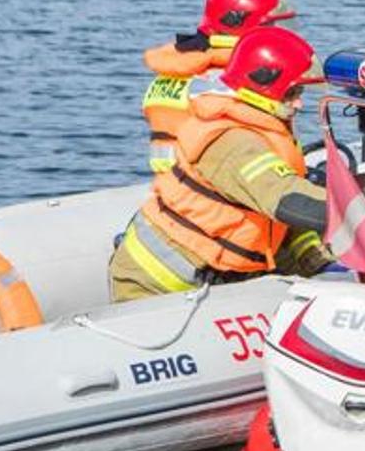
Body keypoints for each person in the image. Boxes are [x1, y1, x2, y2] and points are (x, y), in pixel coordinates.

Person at [109, 27, 335, 302]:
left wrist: (319, 263)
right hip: (156, 282)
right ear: (264, 85)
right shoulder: (232, 140)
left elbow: (279, 219)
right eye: (292, 93)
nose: (299, 104)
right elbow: (286, 199)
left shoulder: (261, 127)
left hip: (205, 273)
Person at [141, 0, 297, 174]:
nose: (282, 37)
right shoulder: (239, 79)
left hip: (176, 187)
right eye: (274, 27)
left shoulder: (175, 69)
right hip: (227, 193)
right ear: (244, 25)